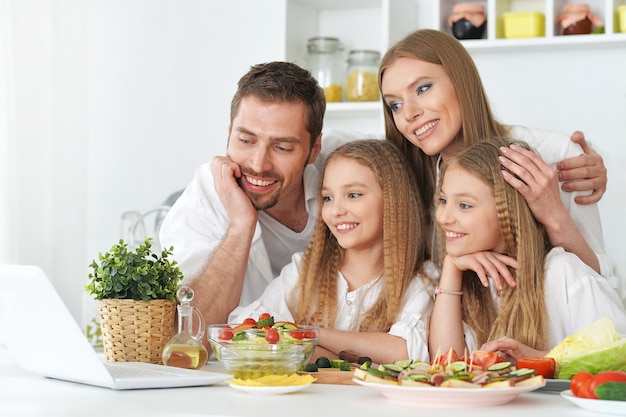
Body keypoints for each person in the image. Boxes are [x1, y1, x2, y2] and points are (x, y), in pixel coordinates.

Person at [378, 29, 617, 293]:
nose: (409, 113)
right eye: (395, 105)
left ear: (461, 81)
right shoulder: (408, 177)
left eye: (423, 89)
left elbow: (601, 288)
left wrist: (553, 216)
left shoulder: (555, 155)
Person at [159, 61, 363, 329]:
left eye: (282, 147)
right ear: (230, 132)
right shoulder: (203, 201)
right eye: (246, 141)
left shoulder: (352, 165)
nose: (258, 164)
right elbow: (189, 335)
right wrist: (241, 225)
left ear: (314, 150)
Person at [229, 140, 438, 364]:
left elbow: (405, 351)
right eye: (328, 198)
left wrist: (310, 335)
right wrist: (345, 359)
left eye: (353, 195)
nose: (336, 211)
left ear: (393, 200)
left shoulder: (422, 280)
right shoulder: (306, 270)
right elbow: (244, 328)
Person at [428, 137, 626, 362]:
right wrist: (451, 268)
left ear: (509, 212)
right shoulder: (473, 278)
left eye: (464, 205)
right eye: (443, 200)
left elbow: (618, 354)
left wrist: (541, 358)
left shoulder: (561, 271)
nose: (443, 217)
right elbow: (446, 363)